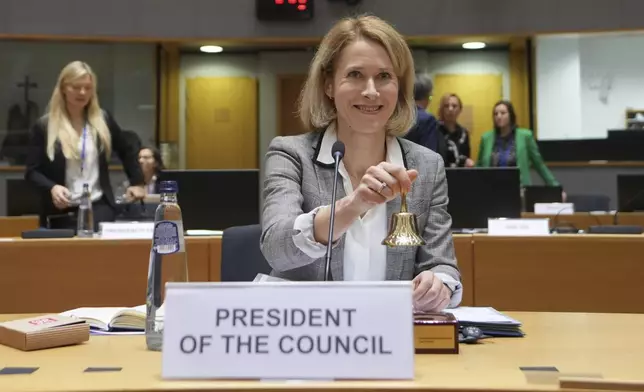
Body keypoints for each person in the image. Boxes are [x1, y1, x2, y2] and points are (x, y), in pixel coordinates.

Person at [260, 15, 462, 313]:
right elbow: (276, 248)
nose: (371, 91)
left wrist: (439, 285)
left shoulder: (426, 166)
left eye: (384, 76)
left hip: (389, 339)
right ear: (329, 84)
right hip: (308, 340)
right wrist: (353, 204)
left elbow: (442, 264)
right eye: (355, 75)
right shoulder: (291, 154)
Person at [24, 61, 145, 230]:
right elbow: (32, 172)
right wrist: (52, 188)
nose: (82, 92)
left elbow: (127, 148)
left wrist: (137, 182)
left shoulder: (103, 120)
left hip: (99, 207)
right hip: (60, 211)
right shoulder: (45, 126)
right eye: (76, 87)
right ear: (64, 88)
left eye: (88, 88)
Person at [477, 100, 561, 189]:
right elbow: (479, 166)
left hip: (518, 188)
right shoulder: (486, 138)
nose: (499, 116)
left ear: (511, 116)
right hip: (492, 188)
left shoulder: (525, 136)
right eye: (495, 114)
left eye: (503, 113)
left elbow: (539, 164)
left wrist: (555, 187)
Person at [404, 74, 447, 158]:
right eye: (431, 97)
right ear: (427, 97)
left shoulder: (397, 116)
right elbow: (429, 154)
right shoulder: (428, 119)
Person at [437, 93, 473, 168]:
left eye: (454, 106)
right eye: (446, 106)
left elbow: (466, 156)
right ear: (442, 110)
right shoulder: (435, 131)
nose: (450, 109)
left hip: (460, 175)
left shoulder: (464, 133)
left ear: (460, 109)